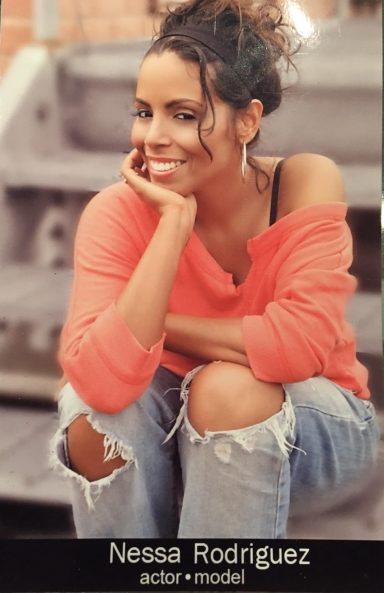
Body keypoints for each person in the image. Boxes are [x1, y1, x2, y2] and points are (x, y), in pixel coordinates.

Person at [51, 0, 379, 538]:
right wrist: (173, 224)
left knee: (227, 390)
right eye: (143, 111)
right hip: (170, 418)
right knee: (91, 414)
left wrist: (154, 327)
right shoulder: (117, 211)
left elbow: (302, 345)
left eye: (183, 115)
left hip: (318, 428)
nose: (153, 135)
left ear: (247, 120)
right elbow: (99, 384)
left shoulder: (304, 182)